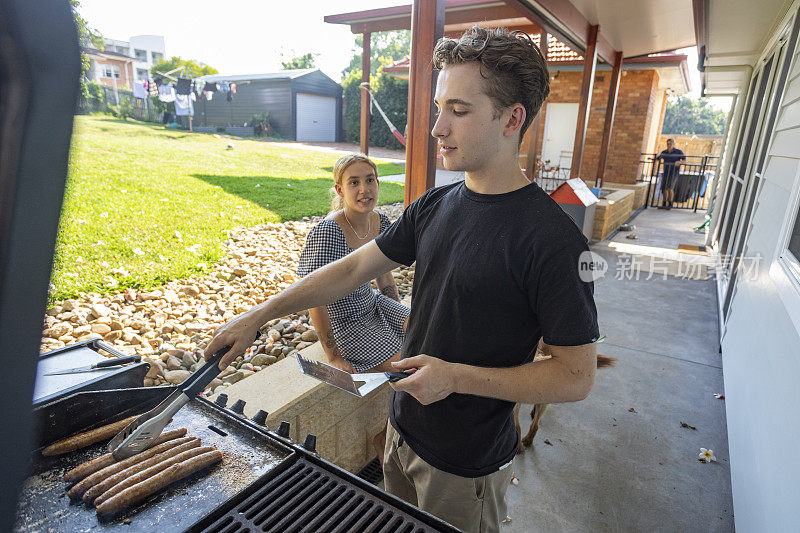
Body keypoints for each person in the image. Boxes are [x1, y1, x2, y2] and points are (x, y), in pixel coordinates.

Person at [204, 26, 599, 533]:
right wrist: (257, 315)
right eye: (439, 108)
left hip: (464, 466)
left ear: (512, 119)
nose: (436, 128)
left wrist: (456, 377)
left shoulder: (552, 240)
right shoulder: (435, 205)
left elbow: (575, 376)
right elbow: (350, 269)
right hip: (402, 432)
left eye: (458, 110)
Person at [297, 153, 409, 463]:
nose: (364, 190)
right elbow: (314, 297)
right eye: (354, 183)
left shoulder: (380, 221)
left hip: (372, 303)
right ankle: (386, 438)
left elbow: (384, 274)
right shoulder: (328, 232)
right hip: (344, 318)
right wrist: (333, 357)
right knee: (406, 365)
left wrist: (399, 316)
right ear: (339, 190)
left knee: (425, 334)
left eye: (370, 180)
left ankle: (395, 437)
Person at [656, 138, 686, 209]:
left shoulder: (678, 152)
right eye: (668, 144)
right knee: (664, 189)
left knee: (670, 188)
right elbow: (658, 158)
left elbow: (685, 160)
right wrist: (655, 156)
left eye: (670, 144)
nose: (669, 145)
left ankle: (670, 204)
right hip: (666, 173)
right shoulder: (664, 152)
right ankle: (664, 204)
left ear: (674, 144)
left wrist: (680, 162)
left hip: (674, 173)